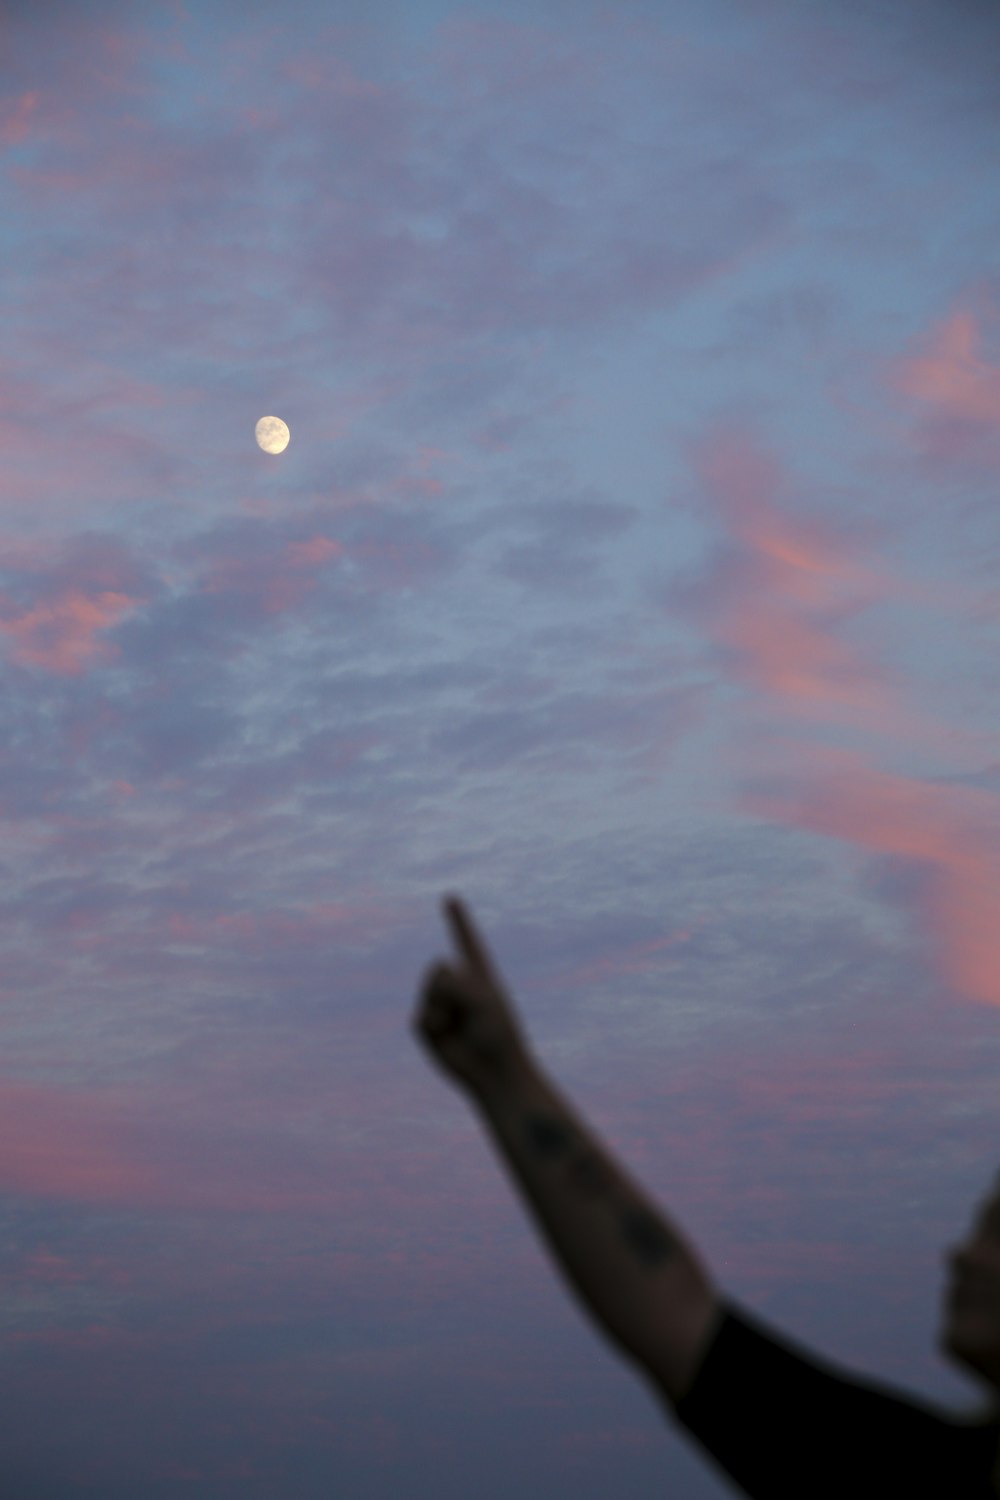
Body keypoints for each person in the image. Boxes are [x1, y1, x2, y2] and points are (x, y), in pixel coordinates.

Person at [412, 894, 1000, 1498]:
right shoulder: (915, 1476)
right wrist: (506, 1079)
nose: (963, 1254)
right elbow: (679, 1317)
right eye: (982, 1227)